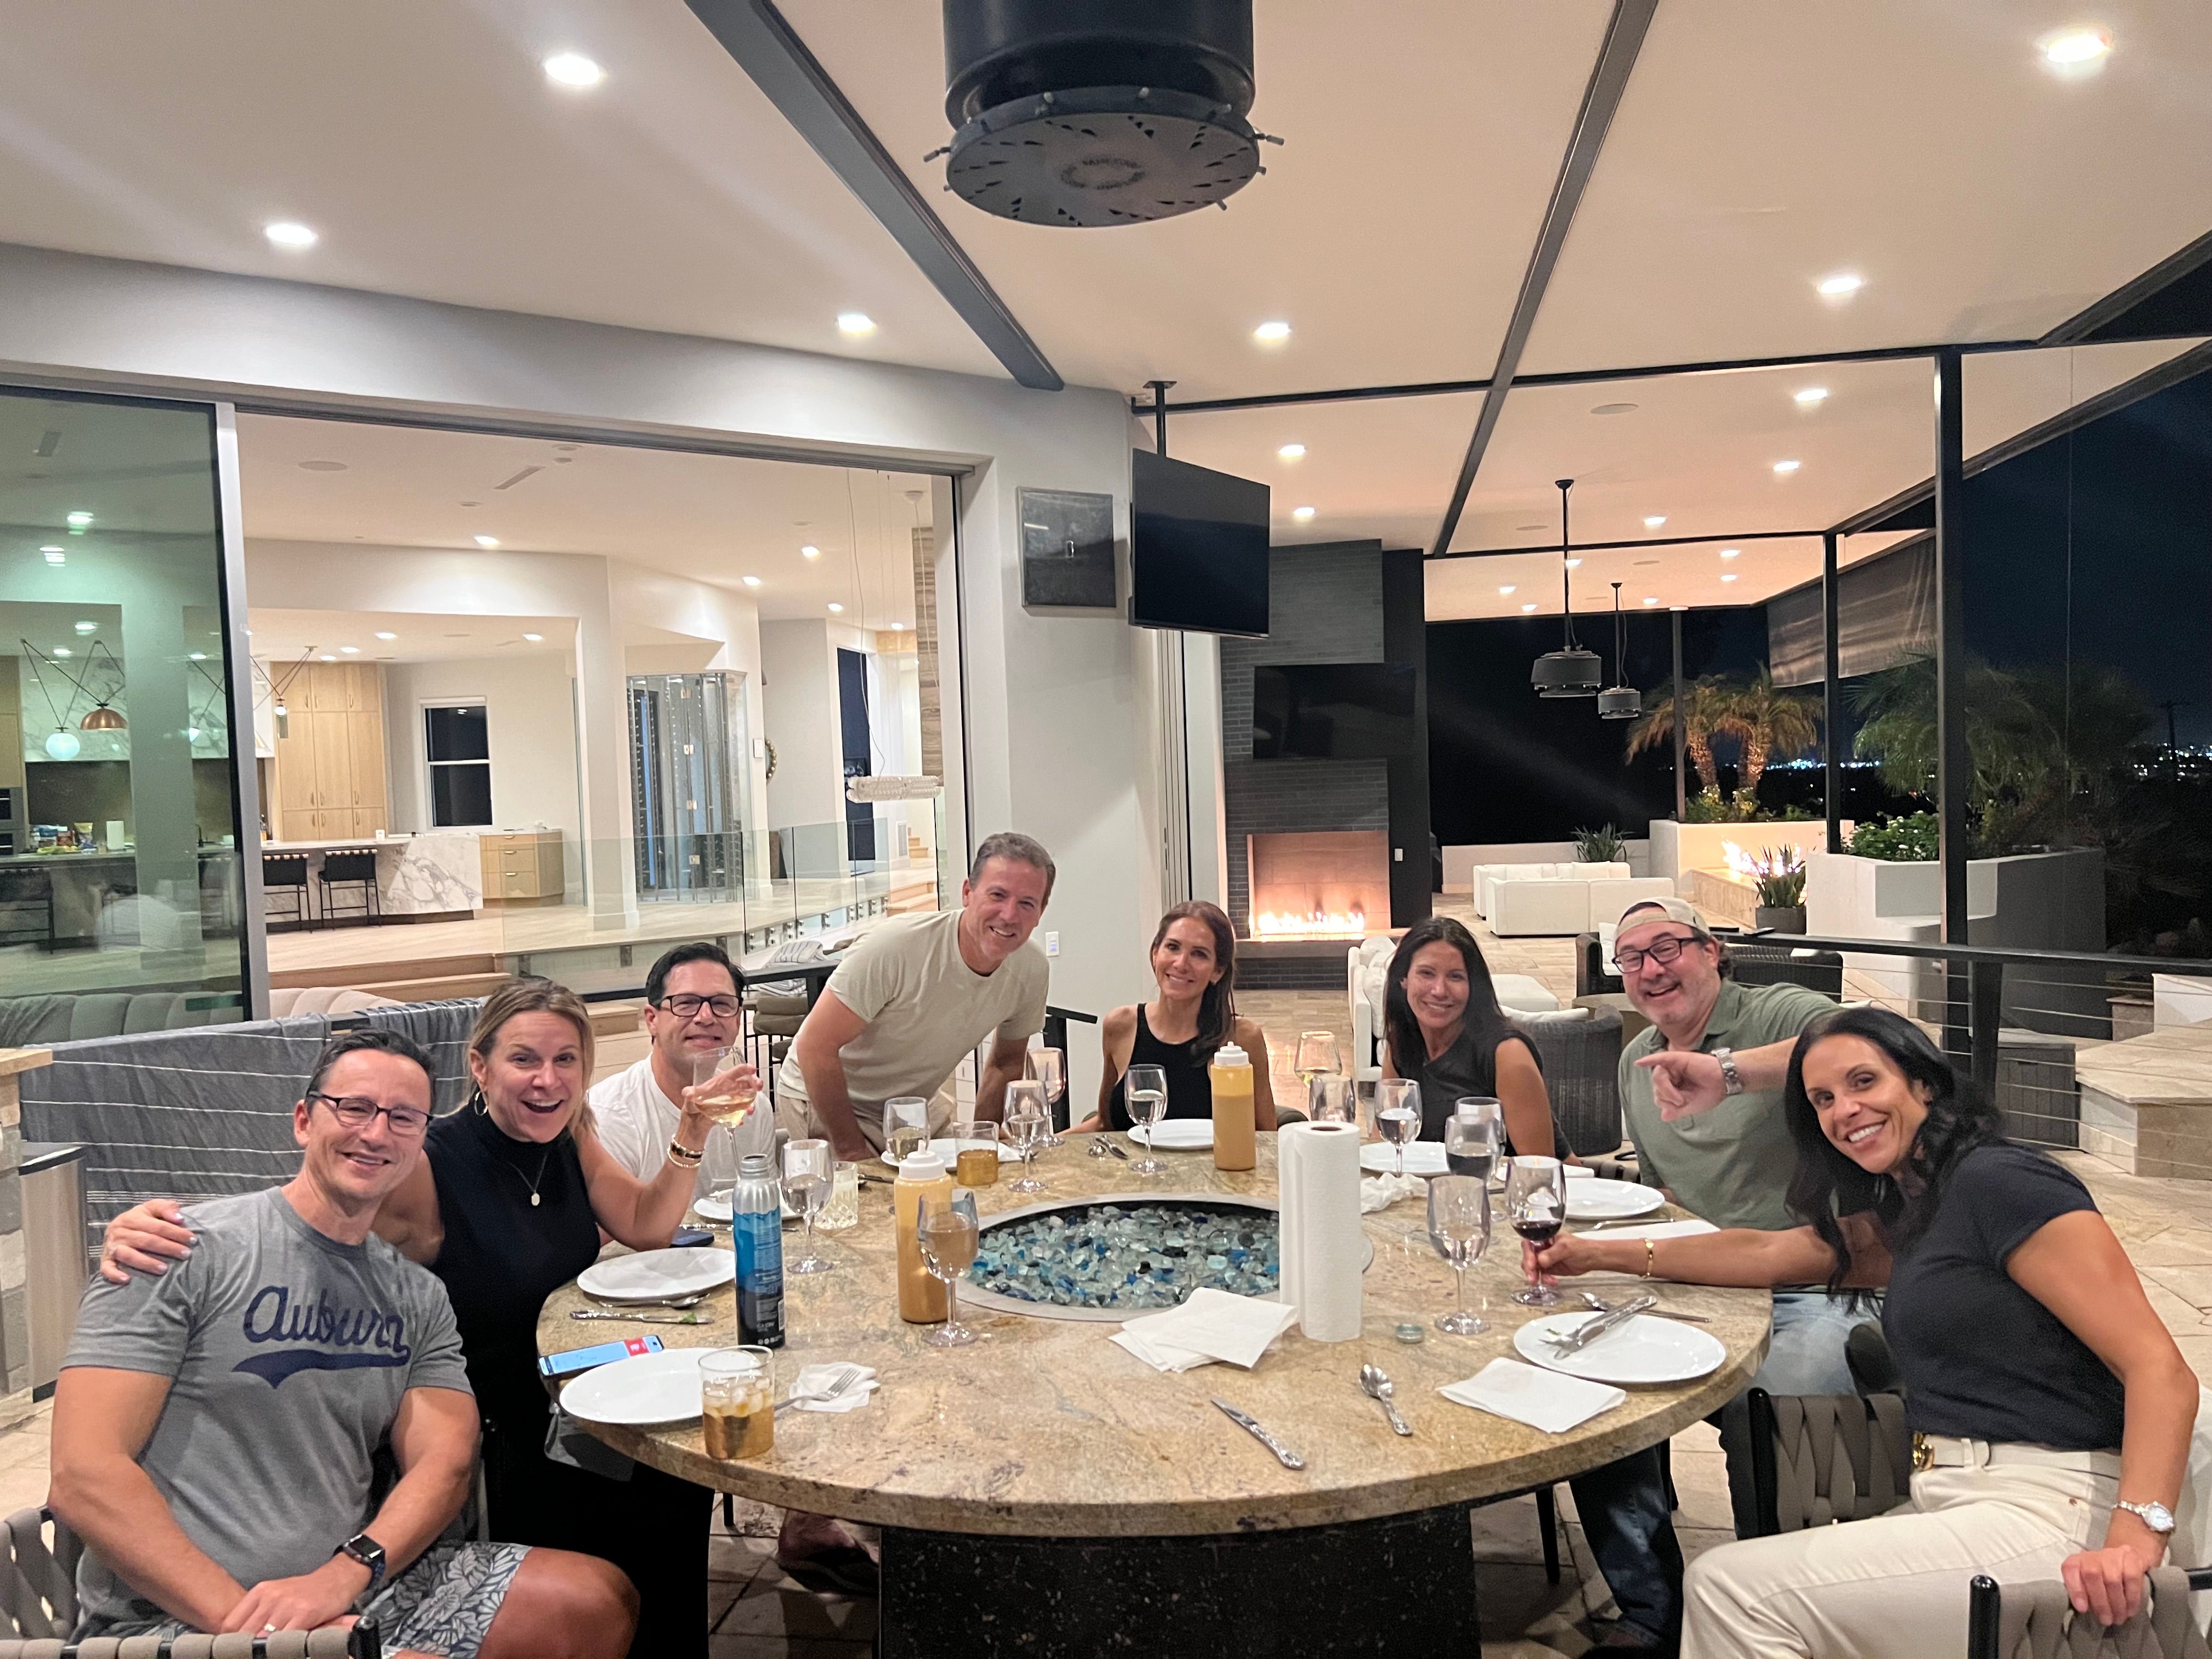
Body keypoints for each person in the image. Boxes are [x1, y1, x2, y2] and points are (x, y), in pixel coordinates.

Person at [1534, 1006, 2201, 1655]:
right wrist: (1596, 1254)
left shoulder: (2002, 1183)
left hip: (2050, 1503)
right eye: (1822, 1099)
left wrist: (2134, 1538)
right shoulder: (1918, 1207)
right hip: (1952, 1496)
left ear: (1924, 1083)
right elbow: (1769, 1253)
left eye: (1863, 1082)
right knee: (1771, 1588)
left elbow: (2160, 1369)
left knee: (1730, 1591)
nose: (1843, 1111)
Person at [100, 978, 732, 1659]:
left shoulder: (568, 1137)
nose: (547, 1080)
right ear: (480, 1066)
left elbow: (646, 1224)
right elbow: (329, 1194)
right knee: (651, 1492)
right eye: (525, 1059)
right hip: (491, 1427)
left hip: (549, 1393)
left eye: (566, 1060)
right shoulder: (430, 1164)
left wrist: (690, 1130)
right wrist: (179, 1229)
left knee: (680, 1472)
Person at [1607, 895, 1879, 1534]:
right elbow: (1662, 1196)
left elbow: (1859, 1047)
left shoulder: (1774, 1011)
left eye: (1667, 948)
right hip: (1710, 1283)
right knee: (1599, 1383)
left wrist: (1724, 1072)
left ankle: (1776, 1576)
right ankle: (1652, 1609)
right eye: (1631, 958)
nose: (1651, 969)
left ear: (1713, 952)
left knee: (1771, 1407)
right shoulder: (1635, 1061)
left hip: (1815, 1289)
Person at [778, 830, 1053, 1161]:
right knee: (868, 1204)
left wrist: (983, 1143)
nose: (1009, 915)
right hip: (823, 1096)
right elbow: (815, 1046)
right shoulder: (897, 947)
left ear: (1041, 911)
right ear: (968, 892)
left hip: (911, 1105)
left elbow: (1006, 1063)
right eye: (997, 895)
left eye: (1026, 903)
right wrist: (851, 1149)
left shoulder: (1031, 969)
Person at [1073, 900, 1277, 1133]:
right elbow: (1105, 1123)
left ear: (1217, 971)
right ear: (1155, 954)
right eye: (1173, 947)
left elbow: (1267, 1138)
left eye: (1199, 954)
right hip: (1132, 1169)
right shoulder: (1120, 1024)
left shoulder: (1241, 1038)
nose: (1181, 964)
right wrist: (1033, 1148)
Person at [592, 940, 772, 1197]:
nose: (706, 1017)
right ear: (652, 1020)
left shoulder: (752, 1109)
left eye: (722, 1004)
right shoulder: (609, 1115)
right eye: (686, 1003)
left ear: (738, 1019)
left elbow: (763, 1206)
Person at [1378, 915, 1554, 1154]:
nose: (1440, 990)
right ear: (1404, 980)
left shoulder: (1507, 1053)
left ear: (1473, 986)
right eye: (1427, 974)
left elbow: (1538, 1170)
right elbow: (1383, 1148)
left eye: (1455, 977)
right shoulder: (1402, 1045)